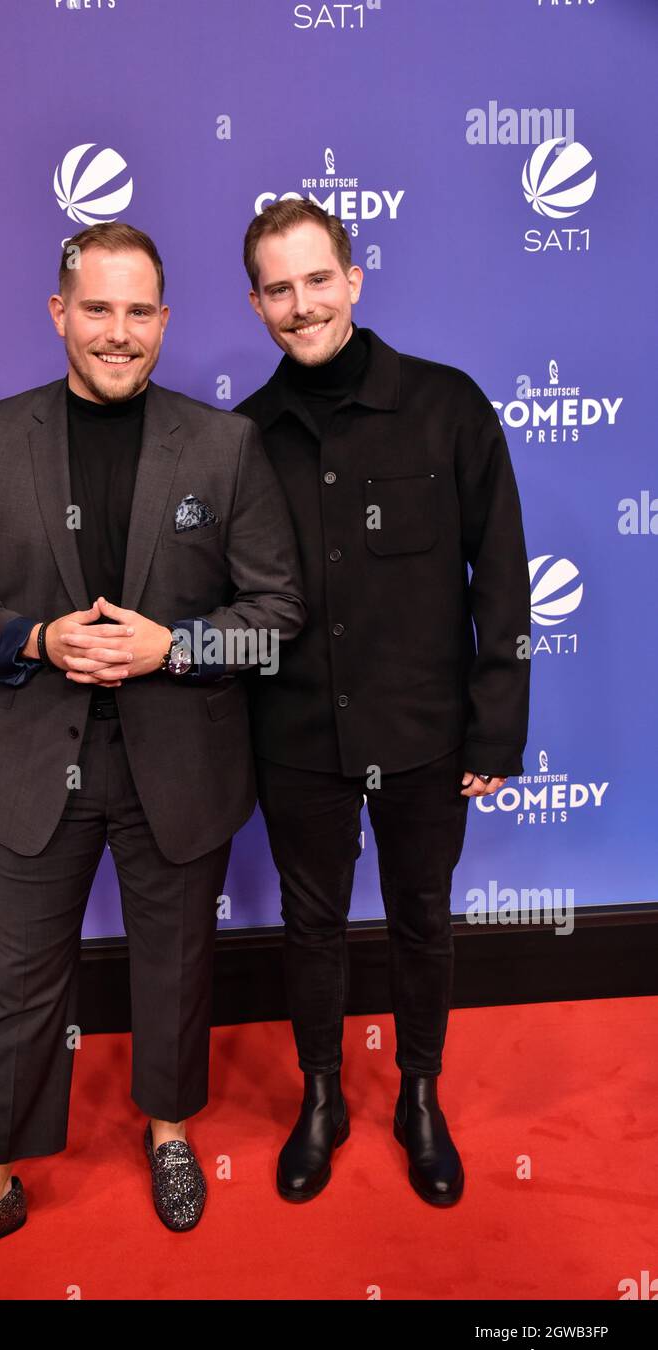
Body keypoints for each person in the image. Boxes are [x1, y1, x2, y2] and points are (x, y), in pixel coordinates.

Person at [0, 222, 305, 1296]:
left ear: (165, 322)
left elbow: (279, 615)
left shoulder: (223, 446)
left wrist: (182, 644)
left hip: (184, 757)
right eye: (98, 309)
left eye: (139, 313)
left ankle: (169, 1131)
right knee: (21, 981)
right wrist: (34, 637)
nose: (119, 333)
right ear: (60, 311)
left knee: (174, 966)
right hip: (34, 760)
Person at [234, 199, 531, 1206]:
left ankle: (419, 1096)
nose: (301, 303)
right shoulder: (242, 438)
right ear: (256, 303)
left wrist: (497, 722)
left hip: (424, 729)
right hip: (296, 732)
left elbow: (501, 576)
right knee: (309, 925)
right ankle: (320, 1096)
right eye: (279, 286)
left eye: (318, 279)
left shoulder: (450, 406)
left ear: (354, 280)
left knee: (422, 917)